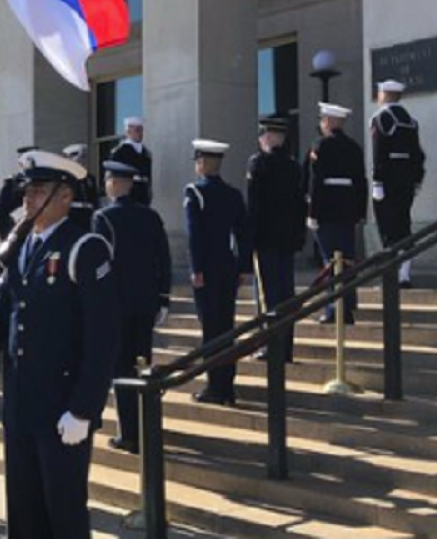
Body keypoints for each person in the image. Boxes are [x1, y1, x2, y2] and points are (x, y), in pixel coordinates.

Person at [0, 150, 118, 539]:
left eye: (39, 191)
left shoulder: (84, 247)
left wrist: (84, 408)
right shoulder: (22, 246)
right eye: (27, 191)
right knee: (24, 512)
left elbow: (103, 338)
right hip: (21, 403)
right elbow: (3, 315)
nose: (28, 199)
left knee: (63, 514)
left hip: (62, 406)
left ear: (65, 196)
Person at [93, 159, 172, 453]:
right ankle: (146, 426)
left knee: (121, 368)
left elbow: (100, 264)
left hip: (118, 304)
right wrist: (163, 296)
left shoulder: (104, 218)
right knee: (142, 364)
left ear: (115, 184)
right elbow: (162, 258)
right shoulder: (150, 216)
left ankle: (129, 432)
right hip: (146, 302)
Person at [185, 139, 252, 406]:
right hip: (228, 265)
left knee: (211, 328)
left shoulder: (195, 192)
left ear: (201, 163)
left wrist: (196, 268)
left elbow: (194, 235)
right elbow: (243, 233)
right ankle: (227, 386)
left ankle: (215, 386)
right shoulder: (232, 194)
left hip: (208, 269)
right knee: (226, 328)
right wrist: (244, 266)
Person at [246, 117, 305, 362]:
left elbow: (254, 206)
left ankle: (269, 345)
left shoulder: (258, 164)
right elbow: (300, 205)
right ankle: (285, 346)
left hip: (265, 239)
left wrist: (249, 240)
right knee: (286, 294)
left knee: (267, 294)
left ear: (268, 137)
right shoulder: (293, 166)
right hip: (287, 240)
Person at [303, 103, 368, 324]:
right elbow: (361, 182)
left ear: (329, 121)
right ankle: (348, 305)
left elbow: (315, 181)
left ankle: (334, 309)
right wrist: (360, 212)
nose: (321, 124)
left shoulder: (320, 145)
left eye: (323, 120)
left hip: (327, 210)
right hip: (348, 210)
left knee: (330, 261)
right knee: (346, 259)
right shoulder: (354, 147)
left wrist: (312, 212)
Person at [370, 79, 426, 287]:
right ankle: (404, 273)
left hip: (388, 179)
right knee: (403, 223)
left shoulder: (381, 118)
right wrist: (417, 178)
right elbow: (418, 154)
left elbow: (379, 151)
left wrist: (377, 181)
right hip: (407, 180)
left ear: (385, 95)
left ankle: (392, 275)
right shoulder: (410, 120)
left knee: (387, 227)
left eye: (380, 93)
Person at [109, 117, 153, 205]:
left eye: (141, 130)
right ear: (128, 132)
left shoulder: (145, 152)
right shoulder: (120, 151)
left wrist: (149, 190)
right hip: (128, 189)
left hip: (143, 190)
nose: (140, 134)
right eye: (137, 130)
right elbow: (113, 174)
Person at [0, 145, 37, 237]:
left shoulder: (46, 182)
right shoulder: (11, 185)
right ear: (20, 163)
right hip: (19, 235)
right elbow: (2, 216)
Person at [63, 143, 100, 230]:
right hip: (73, 214)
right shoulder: (66, 178)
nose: (82, 161)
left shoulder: (90, 178)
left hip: (88, 214)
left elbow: (94, 199)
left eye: (84, 158)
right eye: (80, 158)